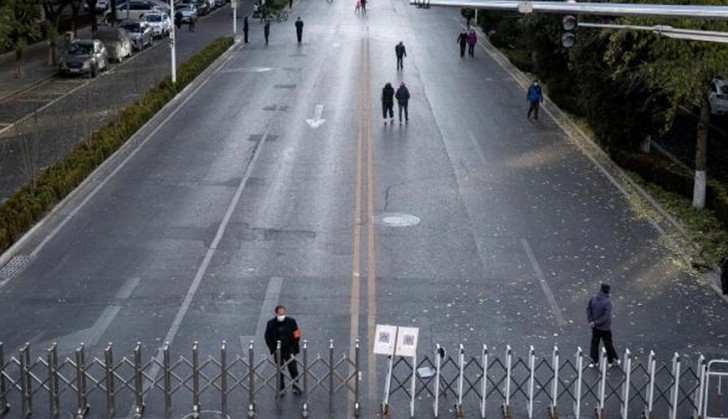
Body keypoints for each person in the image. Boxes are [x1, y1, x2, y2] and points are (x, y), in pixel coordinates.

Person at [265, 305, 302, 394]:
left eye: (283, 313)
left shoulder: (291, 322)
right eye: (280, 313)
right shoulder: (270, 324)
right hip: (278, 350)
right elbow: (267, 337)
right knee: (280, 370)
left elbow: (297, 335)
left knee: (293, 369)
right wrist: (273, 349)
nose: (282, 315)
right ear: (276, 313)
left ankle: (296, 386)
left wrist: (294, 347)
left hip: (289, 349)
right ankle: (281, 388)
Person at [586, 284, 620, 368]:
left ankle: (594, 361)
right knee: (608, 343)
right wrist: (597, 322)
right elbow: (606, 316)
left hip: (595, 327)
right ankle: (613, 360)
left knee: (594, 343)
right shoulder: (607, 302)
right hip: (604, 327)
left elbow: (588, 309)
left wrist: (591, 321)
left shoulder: (593, 298)